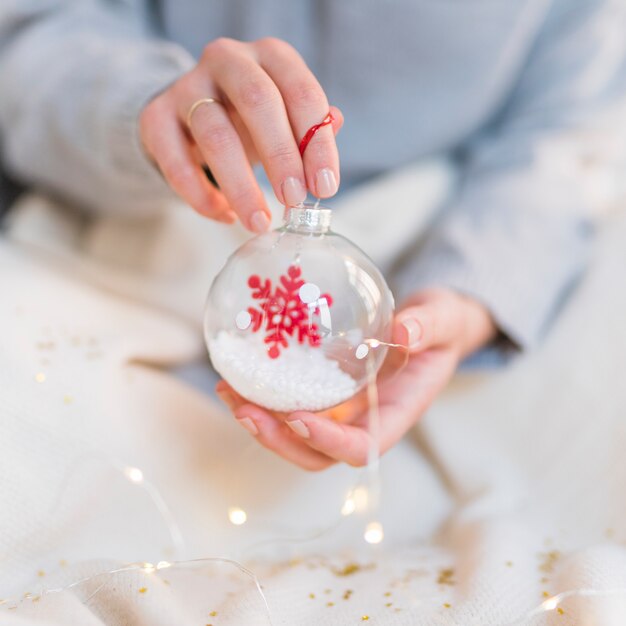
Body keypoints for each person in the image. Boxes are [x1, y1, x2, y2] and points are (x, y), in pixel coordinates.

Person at [0, 1, 624, 470]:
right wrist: (148, 109)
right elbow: (33, 34)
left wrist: (471, 295)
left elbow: (566, 130)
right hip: (127, 211)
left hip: (444, 232)